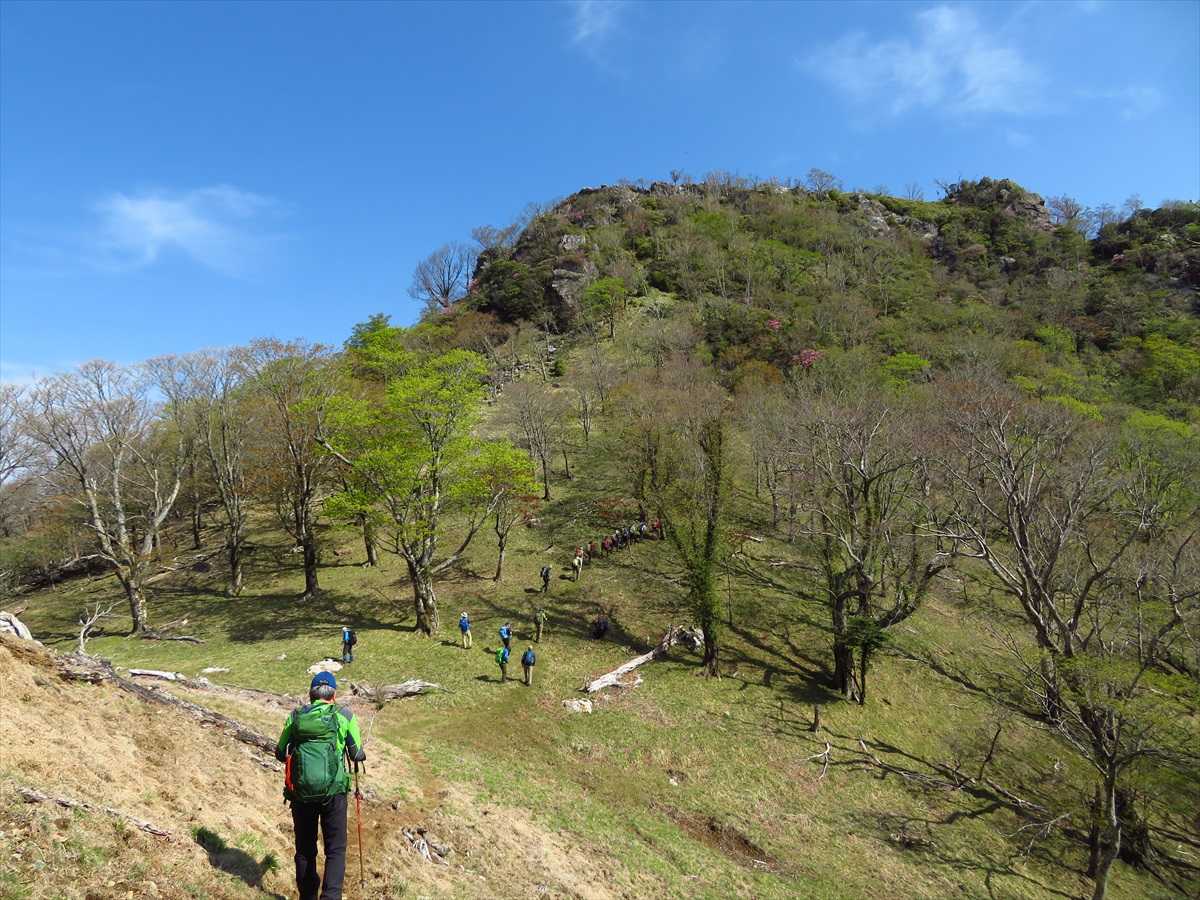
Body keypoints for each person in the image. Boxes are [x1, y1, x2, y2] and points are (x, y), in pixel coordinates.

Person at [276, 672, 366, 900]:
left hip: (302, 793)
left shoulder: (295, 716)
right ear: (334, 695)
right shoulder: (344, 715)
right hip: (334, 793)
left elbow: (280, 752)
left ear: (311, 694)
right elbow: (356, 754)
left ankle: (307, 896)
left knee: (305, 849)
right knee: (335, 849)